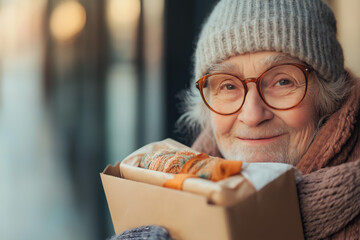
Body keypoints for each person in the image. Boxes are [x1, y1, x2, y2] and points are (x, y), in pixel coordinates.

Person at [110, 0, 360, 239]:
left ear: (329, 97)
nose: (252, 116)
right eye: (228, 86)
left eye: (283, 81)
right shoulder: (180, 189)